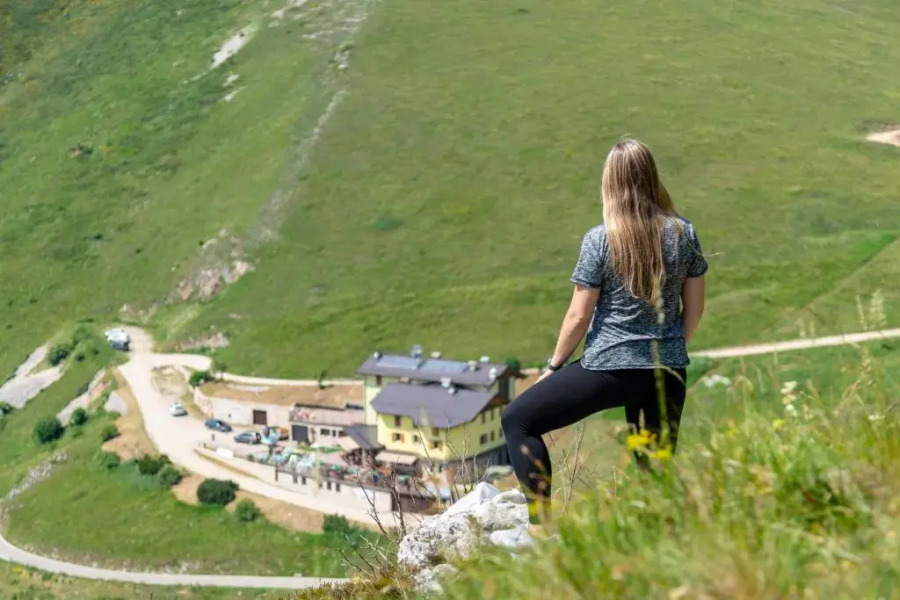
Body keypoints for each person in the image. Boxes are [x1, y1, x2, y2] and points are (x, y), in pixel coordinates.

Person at [501, 138, 707, 521]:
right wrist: (671, 349)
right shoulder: (684, 232)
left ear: (610, 183)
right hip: (668, 369)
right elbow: (694, 310)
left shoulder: (601, 238)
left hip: (610, 368)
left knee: (519, 419)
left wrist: (553, 366)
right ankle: (663, 550)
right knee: (655, 471)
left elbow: (579, 315)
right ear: (651, 177)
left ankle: (541, 527)